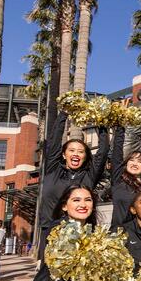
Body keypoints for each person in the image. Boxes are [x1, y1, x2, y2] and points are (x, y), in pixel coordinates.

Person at [37, 109, 109, 261]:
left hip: (81, 233)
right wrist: (63, 114)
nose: (76, 154)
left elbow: (103, 153)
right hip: (50, 232)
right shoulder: (52, 170)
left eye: (81, 151)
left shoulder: (89, 176)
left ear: (85, 157)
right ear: (64, 155)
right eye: (71, 150)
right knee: (49, 280)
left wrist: (102, 122)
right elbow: (54, 142)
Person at [109, 125, 141, 231]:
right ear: (126, 163)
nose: (135, 163)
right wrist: (120, 127)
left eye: (140, 161)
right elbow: (117, 152)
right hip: (118, 235)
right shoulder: (118, 180)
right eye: (132, 160)